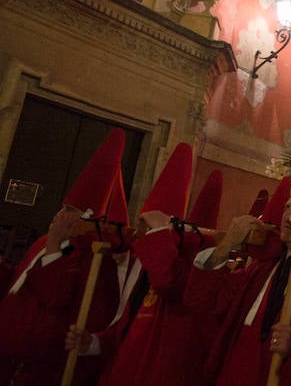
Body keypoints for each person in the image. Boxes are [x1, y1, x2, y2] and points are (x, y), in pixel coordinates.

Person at [185, 131, 291, 385]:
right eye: (286, 208)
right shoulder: (261, 270)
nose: (287, 215)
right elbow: (200, 299)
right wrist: (227, 245)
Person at [66, 145, 221, 386]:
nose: (140, 233)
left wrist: (160, 235)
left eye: (148, 225)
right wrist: (94, 343)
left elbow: (169, 283)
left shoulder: (182, 270)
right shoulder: (141, 265)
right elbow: (128, 325)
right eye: (142, 224)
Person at [0, 128, 124, 385]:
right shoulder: (42, 243)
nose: (59, 217)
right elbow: (18, 282)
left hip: (41, 369)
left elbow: (55, 296)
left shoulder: (90, 255)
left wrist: (56, 243)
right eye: (62, 209)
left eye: (69, 212)